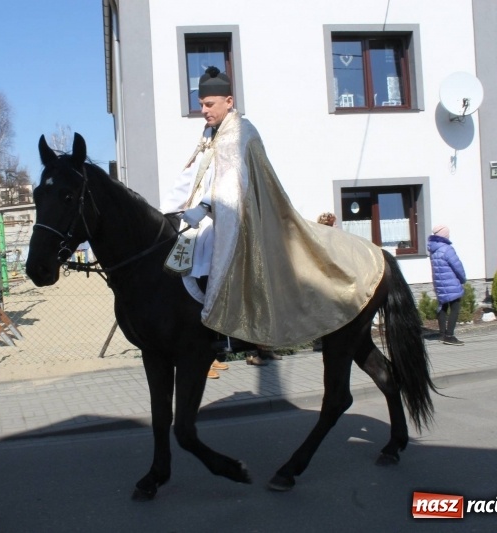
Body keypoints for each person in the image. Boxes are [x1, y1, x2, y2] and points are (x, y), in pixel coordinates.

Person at [160, 66, 385, 367]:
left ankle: (230, 332)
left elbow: (234, 180)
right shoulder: (211, 134)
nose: (203, 110)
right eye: (201, 104)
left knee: (213, 249)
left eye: (208, 104)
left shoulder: (240, 133)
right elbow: (193, 172)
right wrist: (166, 211)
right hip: (217, 212)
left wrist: (205, 206)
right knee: (190, 246)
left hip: (245, 215)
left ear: (228, 101)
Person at [427, 225, 467, 346]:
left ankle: (442, 334)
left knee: (442, 306)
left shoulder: (433, 249)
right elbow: (457, 266)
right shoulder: (447, 249)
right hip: (450, 283)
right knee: (455, 307)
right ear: (444, 235)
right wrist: (463, 278)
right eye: (447, 234)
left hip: (439, 282)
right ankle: (449, 335)